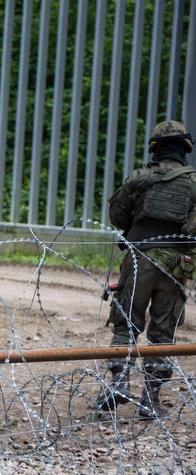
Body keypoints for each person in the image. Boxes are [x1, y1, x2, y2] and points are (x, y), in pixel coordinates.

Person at [96, 120, 196, 419]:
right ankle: (150, 400)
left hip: (140, 259)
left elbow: (117, 215)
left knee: (126, 322)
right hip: (178, 265)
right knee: (163, 333)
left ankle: (119, 382)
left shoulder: (139, 178)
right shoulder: (194, 183)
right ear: (185, 149)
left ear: (155, 148)